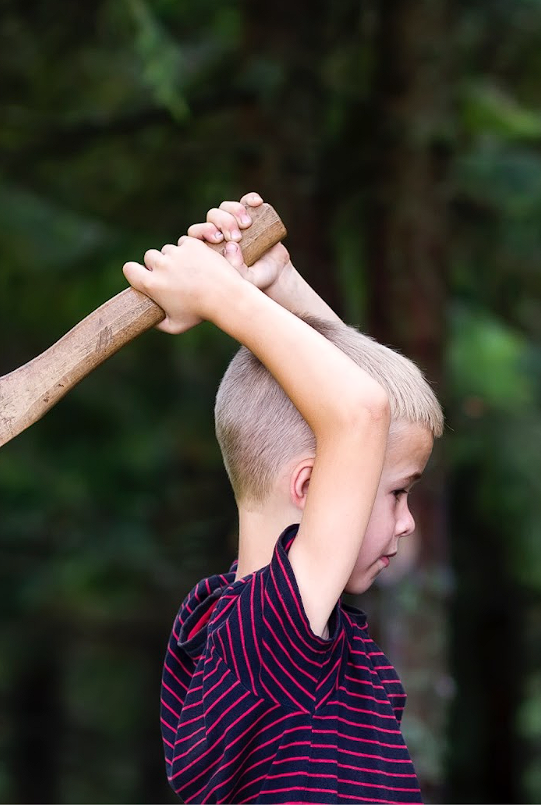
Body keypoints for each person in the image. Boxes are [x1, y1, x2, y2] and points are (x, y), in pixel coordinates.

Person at [123, 192, 444, 804]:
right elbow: (360, 413)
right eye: (398, 494)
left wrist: (280, 287)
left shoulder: (286, 640)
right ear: (310, 488)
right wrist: (225, 300)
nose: (406, 524)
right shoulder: (264, 637)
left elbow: (375, 406)